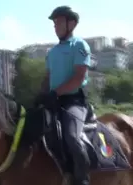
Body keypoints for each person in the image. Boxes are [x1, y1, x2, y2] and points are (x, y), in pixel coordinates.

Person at [36, 5, 91, 185]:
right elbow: (48, 78)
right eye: (54, 23)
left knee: (72, 137)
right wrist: (39, 95)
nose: (55, 26)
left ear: (71, 23)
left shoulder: (79, 45)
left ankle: (82, 179)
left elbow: (78, 78)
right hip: (53, 101)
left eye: (58, 22)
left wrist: (56, 93)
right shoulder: (52, 52)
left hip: (73, 102)